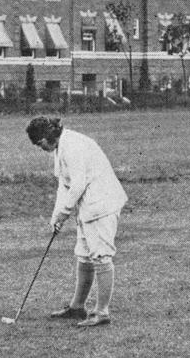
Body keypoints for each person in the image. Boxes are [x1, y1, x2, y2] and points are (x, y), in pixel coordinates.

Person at [26, 116, 127, 328]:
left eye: (39, 143)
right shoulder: (60, 147)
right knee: (83, 255)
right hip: (87, 207)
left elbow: (78, 184)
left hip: (102, 204)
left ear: (47, 136)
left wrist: (64, 213)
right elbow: (64, 185)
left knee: (100, 256)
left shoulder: (73, 146)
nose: (40, 148)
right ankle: (77, 307)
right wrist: (57, 216)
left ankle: (102, 312)